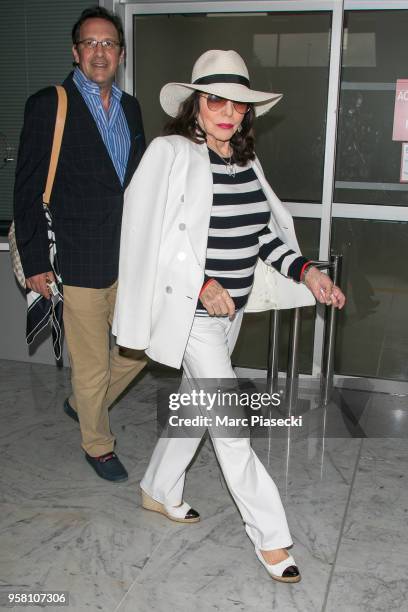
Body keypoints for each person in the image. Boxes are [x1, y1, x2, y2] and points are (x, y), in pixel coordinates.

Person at [113, 50, 346, 582]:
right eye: (216, 99)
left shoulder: (245, 162)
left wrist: (307, 271)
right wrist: (199, 282)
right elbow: (144, 233)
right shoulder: (169, 153)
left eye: (237, 103)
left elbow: (262, 237)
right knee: (231, 430)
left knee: (198, 410)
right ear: (196, 103)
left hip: (231, 314)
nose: (227, 111)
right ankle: (271, 538)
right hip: (192, 315)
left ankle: (158, 488)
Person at [13, 6, 147, 482]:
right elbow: (27, 187)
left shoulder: (131, 107)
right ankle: (98, 444)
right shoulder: (49, 103)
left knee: (139, 349)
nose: (99, 52)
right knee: (90, 365)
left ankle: (81, 404)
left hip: (127, 258)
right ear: (75, 52)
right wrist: (35, 261)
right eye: (90, 43)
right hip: (76, 256)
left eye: (108, 43)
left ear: (121, 54)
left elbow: (136, 184)